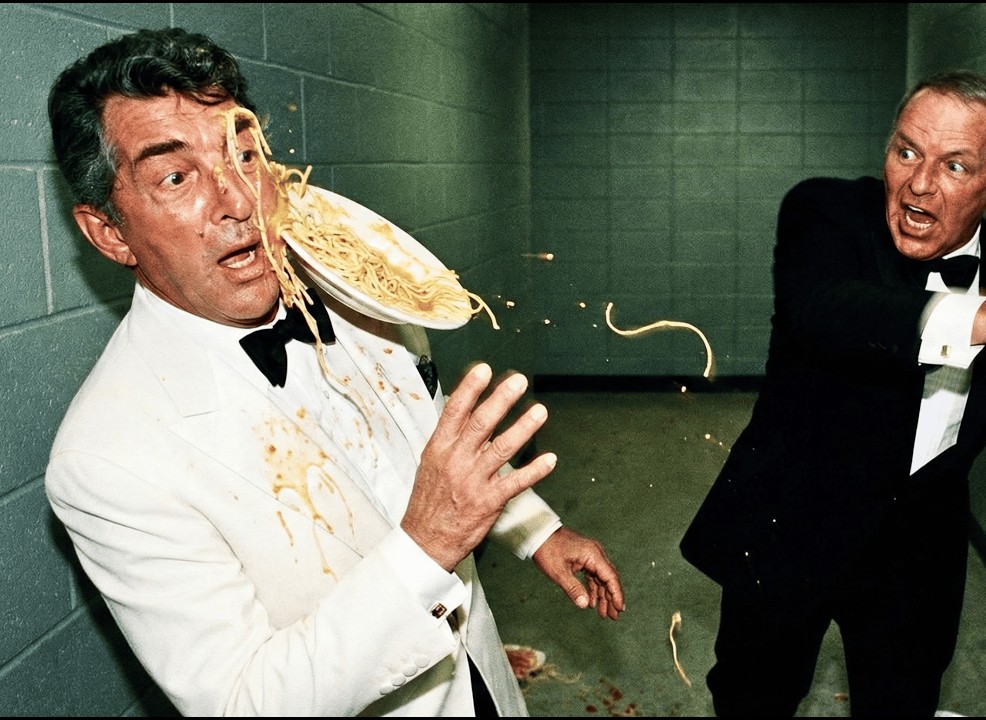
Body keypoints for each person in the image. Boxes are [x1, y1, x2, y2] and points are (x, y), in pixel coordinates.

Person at [43, 27, 624, 717]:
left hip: (479, 682)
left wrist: (536, 530)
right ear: (110, 233)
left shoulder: (352, 289)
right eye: (176, 177)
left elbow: (429, 441)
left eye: (244, 154)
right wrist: (429, 544)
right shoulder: (104, 460)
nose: (239, 200)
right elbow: (242, 703)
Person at [680, 69, 986, 717]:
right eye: (906, 152)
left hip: (918, 549)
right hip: (790, 520)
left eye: (955, 166)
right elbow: (825, 309)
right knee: (752, 699)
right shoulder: (825, 213)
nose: (919, 184)